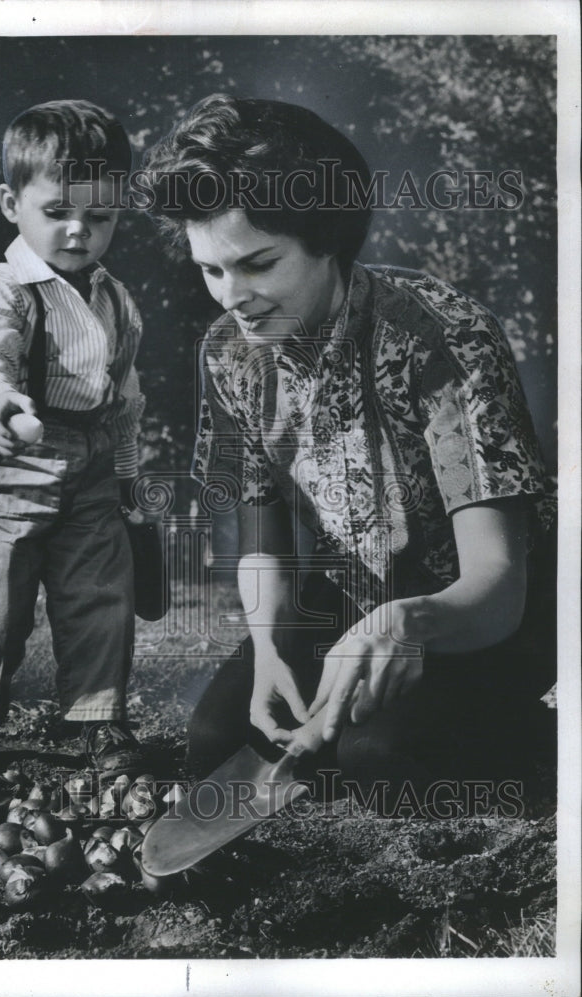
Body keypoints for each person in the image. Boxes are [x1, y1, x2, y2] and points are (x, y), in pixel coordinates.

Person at [141, 94, 556, 803]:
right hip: (350, 600)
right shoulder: (228, 354)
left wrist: (404, 624)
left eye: (258, 264)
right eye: (211, 271)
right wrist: (270, 650)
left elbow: (496, 582)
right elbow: (261, 533)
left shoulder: (441, 336)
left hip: (486, 610)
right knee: (217, 742)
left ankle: (546, 735)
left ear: (327, 237)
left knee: (378, 757)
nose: (231, 297)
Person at [0, 100, 150, 780]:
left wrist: (124, 471)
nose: (77, 230)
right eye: (57, 210)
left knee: (100, 595)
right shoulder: (6, 291)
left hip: (90, 460)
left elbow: (126, 394)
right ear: (11, 202)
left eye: (100, 216)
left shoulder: (116, 301)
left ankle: (96, 717)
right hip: (12, 460)